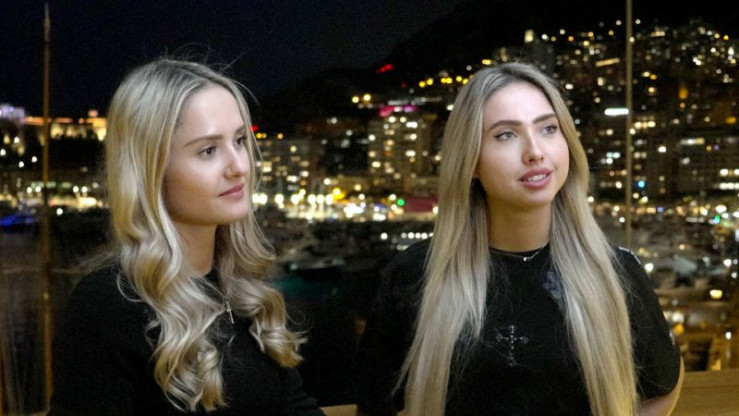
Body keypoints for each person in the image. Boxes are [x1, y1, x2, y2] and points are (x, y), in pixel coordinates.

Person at [354, 62, 684, 416]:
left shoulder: (615, 272)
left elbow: (662, 385)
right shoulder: (415, 275)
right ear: (471, 161)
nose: (535, 151)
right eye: (506, 135)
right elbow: (374, 404)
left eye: (548, 128)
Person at [49, 59, 325, 415]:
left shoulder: (243, 292)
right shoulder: (108, 306)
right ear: (151, 170)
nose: (239, 166)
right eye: (208, 150)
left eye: (240, 140)